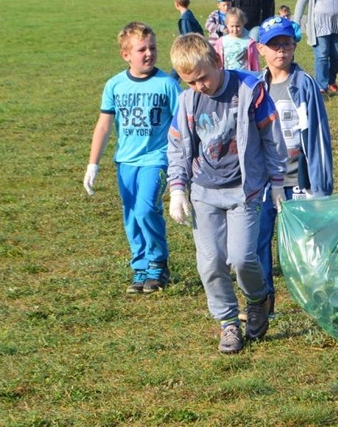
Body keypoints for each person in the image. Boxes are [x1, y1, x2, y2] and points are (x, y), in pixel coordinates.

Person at [167, 33, 287, 354]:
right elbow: (178, 147)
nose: (199, 86)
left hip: (243, 191)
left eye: (203, 78)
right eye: (189, 82)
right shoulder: (187, 101)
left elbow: (272, 138)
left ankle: (258, 298)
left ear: (218, 62)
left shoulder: (250, 91)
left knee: (242, 257)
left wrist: (277, 182)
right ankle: (228, 322)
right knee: (210, 263)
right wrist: (177, 189)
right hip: (204, 191)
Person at [83, 22, 181, 294]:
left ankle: (158, 262)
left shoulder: (167, 84)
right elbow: (103, 126)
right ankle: (140, 266)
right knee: (131, 215)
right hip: (126, 161)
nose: (149, 53)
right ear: (126, 55)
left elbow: (184, 122)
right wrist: (93, 164)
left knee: (146, 208)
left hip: (157, 158)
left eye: (152, 47)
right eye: (142, 49)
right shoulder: (114, 85)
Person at [251, 15, 334, 319]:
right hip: (264, 183)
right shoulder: (255, 87)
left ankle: (317, 300)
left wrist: (320, 186)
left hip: (298, 180)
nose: (281, 51)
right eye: (274, 45)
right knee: (258, 243)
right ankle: (262, 303)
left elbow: (319, 137)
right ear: (261, 49)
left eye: (286, 44)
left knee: (305, 244)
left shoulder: (305, 85)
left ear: (294, 46)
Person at [214, 7, 259, 72]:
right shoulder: (221, 42)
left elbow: (255, 63)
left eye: (237, 26)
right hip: (227, 77)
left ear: (243, 24)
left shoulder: (249, 43)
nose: (235, 29)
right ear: (227, 24)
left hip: (244, 78)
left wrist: (256, 78)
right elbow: (216, 62)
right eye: (232, 26)